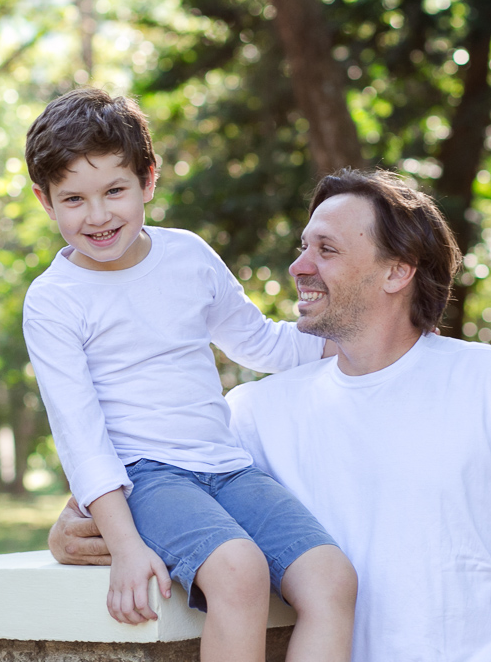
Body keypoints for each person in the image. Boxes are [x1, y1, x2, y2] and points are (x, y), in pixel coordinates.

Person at [50, 168, 491, 662]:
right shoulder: (253, 411)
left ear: (396, 272)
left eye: (327, 250)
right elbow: (152, 484)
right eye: (303, 246)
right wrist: (70, 536)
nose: (299, 266)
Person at [22, 88, 356, 662]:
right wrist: (125, 545)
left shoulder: (189, 257)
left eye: (115, 191)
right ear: (45, 201)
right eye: (73, 198)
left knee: (331, 578)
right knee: (240, 572)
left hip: (225, 466)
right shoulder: (54, 300)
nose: (98, 215)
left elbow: (261, 342)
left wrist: (359, 329)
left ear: (148, 180)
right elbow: (80, 437)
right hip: (143, 477)